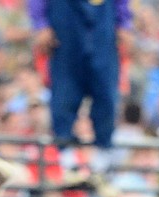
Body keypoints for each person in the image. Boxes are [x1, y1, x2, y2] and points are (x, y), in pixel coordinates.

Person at [31, 0, 132, 176]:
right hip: (65, 24)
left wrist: (124, 23)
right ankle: (66, 156)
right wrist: (41, 24)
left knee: (106, 93)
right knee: (64, 96)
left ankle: (102, 154)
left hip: (103, 23)